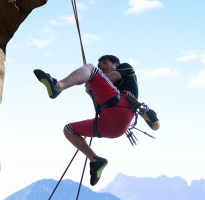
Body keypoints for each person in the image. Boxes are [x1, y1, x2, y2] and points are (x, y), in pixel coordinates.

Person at [34, 55, 138, 186]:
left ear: (116, 63)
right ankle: (95, 160)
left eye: (105, 63)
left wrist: (92, 76)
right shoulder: (108, 88)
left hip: (122, 108)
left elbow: (112, 77)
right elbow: (99, 103)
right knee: (69, 130)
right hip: (113, 126)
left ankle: (58, 86)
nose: (102, 67)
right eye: (100, 66)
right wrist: (91, 89)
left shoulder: (125, 67)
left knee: (90, 67)